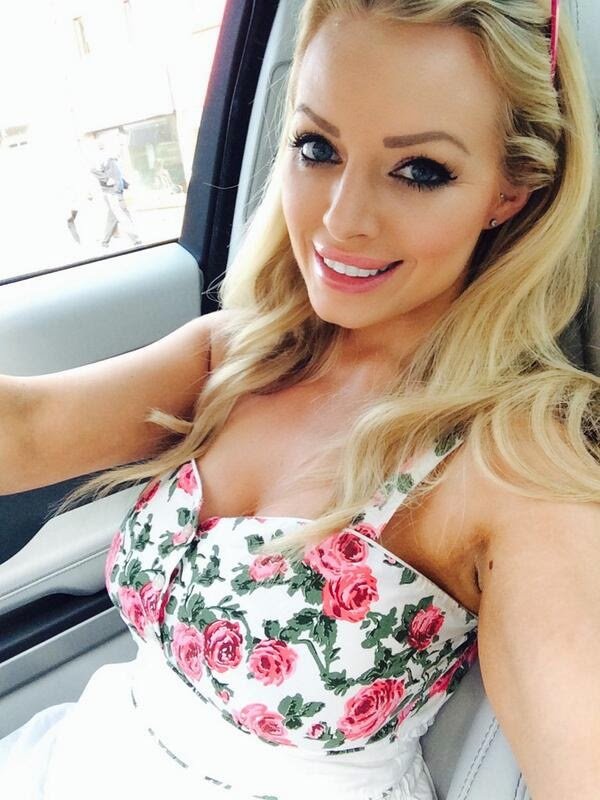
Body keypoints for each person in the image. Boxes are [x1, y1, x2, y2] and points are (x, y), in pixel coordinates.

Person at [0, 1, 599, 798]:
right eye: (318, 147)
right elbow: (26, 430)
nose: (341, 220)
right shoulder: (234, 355)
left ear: (510, 192)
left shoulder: (511, 464)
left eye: (420, 171)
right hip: (80, 757)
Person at [91, 140, 142, 248]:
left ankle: (104, 242)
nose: (119, 150)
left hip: (115, 192)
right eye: (119, 146)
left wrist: (126, 185)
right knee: (123, 215)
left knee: (113, 217)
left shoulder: (112, 161)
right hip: (112, 193)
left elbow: (117, 176)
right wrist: (107, 179)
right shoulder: (103, 159)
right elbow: (93, 170)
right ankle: (136, 239)